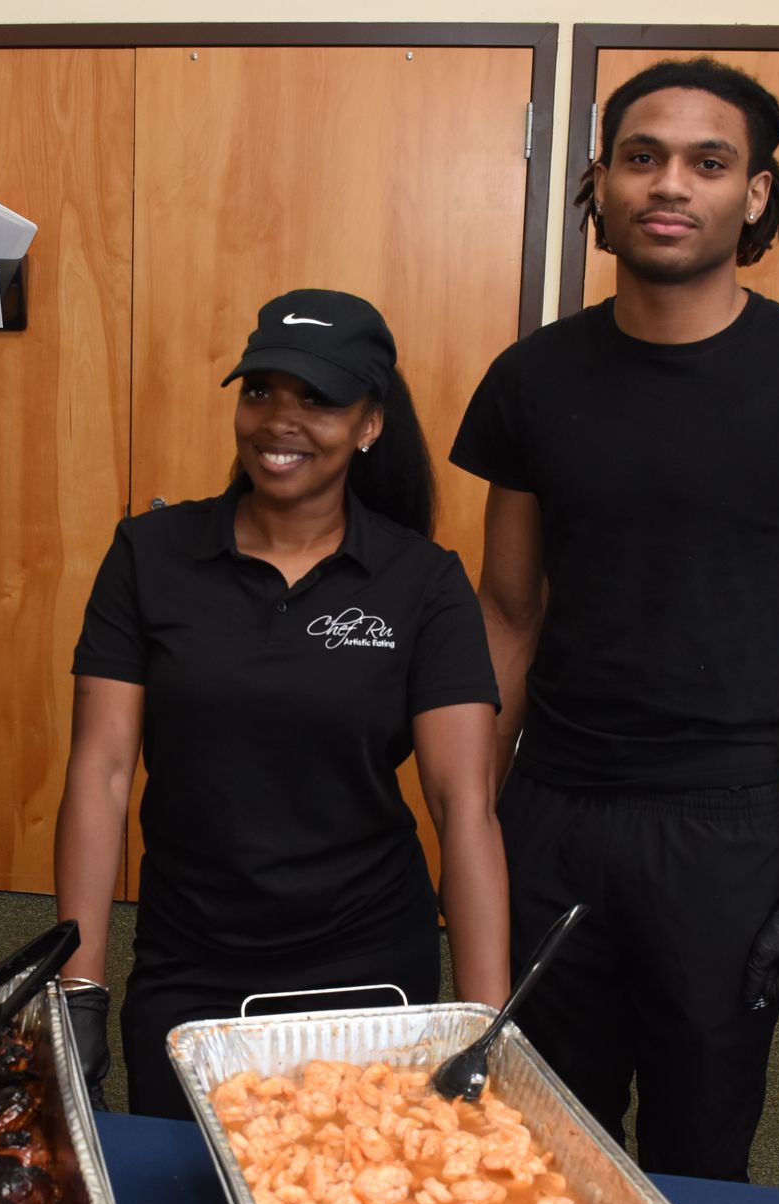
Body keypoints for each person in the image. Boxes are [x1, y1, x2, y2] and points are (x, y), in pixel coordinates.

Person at [450, 58, 779, 1181]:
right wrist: (469, 825)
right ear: (600, 182)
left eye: (711, 162)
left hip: (724, 827)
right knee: (542, 1134)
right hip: (555, 810)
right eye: (643, 156)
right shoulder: (529, 379)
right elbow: (505, 618)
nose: (672, 184)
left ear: (755, 194)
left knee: (703, 1147)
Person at [53, 289, 512, 1119]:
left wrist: (488, 1028)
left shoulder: (424, 582)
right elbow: (103, 770)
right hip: (191, 958)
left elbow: (464, 806)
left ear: (370, 424)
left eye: (319, 399)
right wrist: (79, 985)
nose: (279, 419)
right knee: (185, 1200)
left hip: (365, 963)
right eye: (261, 390)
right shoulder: (149, 556)